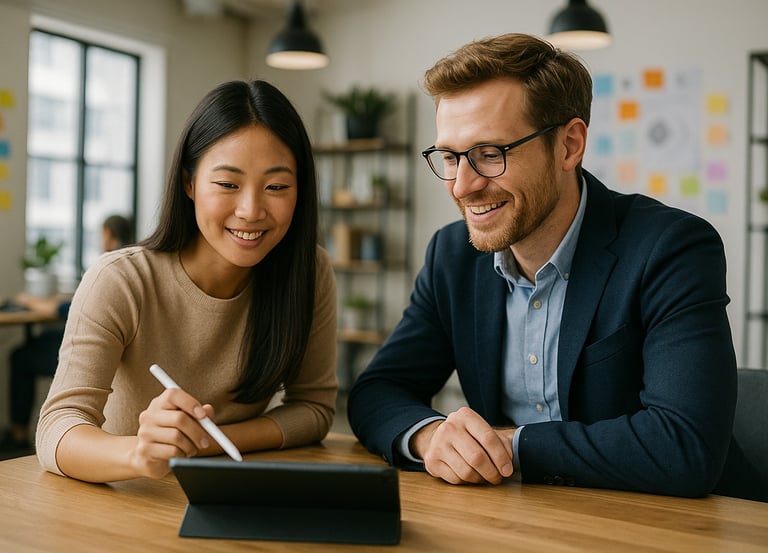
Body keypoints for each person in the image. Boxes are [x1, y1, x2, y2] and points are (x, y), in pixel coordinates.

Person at [347, 33, 766, 502]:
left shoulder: (671, 248)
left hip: (681, 523)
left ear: (569, 145)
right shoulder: (452, 255)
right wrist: (430, 436)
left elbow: (684, 447)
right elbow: (377, 391)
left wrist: (507, 445)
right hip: (521, 517)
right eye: (449, 157)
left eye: (490, 154)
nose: (462, 187)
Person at [36, 79, 337, 483]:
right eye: (227, 184)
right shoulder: (121, 280)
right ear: (189, 183)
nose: (250, 210)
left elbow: (314, 408)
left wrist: (199, 443)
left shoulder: (308, 271)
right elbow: (57, 429)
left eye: (277, 187)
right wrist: (140, 455)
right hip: (124, 496)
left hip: (228, 493)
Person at [0, 214, 134, 455]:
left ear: (107, 234)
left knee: (21, 357)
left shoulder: (112, 268)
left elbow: (66, 310)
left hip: (99, 347)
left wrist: (29, 301)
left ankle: (18, 434)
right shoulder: (135, 265)